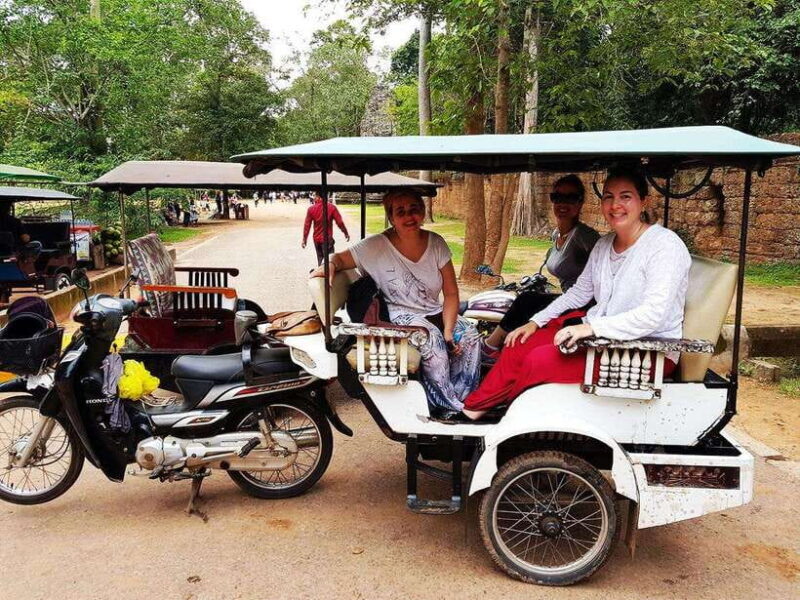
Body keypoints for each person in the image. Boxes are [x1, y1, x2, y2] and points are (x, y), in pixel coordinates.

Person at [463, 166, 691, 420]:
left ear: (643, 202)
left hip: (644, 351)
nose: (616, 205)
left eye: (625, 196)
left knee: (538, 360)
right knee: (520, 343)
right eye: (608, 197)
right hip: (604, 341)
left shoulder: (664, 246)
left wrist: (589, 329)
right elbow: (579, 292)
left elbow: (654, 315)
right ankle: (474, 409)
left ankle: (511, 418)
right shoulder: (605, 244)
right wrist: (535, 322)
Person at [311, 190, 481, 414]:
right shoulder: (375, 246)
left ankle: (460, 401)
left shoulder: (436, 243)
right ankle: (447, 407)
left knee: (469, 337)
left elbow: (450, 294)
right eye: (400, 212)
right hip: (399, 313)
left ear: (422, 211)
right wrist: (329, 265)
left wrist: (449, 329)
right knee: (434, 342)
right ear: (391, 217)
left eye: (414, 209)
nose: (409, 217)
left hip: (433, 309)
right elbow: (339, 258)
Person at [481, 175, 600, 362]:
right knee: (526, 297)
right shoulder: (557, 234)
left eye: (570, 198)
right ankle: (497, 345)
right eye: (557, 197)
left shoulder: (584, 237)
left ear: (580, 202)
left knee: (527, 301)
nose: (562, 204)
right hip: (567, 299)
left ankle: (489, 347)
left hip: (584, 306)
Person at [302, 193, 351, 265]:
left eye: (315, 196)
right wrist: (345, 233)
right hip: (327, 239)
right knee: (330, 261)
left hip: (317, 239)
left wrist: (304, 239)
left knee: (320, 259)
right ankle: (330, 275)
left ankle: (322, 274)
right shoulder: (331, 207)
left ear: (319, 197)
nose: (314, 198)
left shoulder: (311, 209)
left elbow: (307, 225)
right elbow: (339, 222)